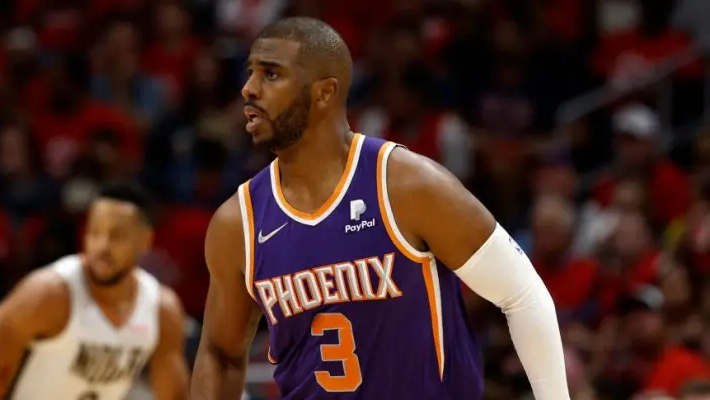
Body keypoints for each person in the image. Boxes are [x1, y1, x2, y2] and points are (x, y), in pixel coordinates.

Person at [191, 17, 569, 399]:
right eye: (250, 73)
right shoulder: (237, 222)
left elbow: (522, 294)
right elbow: (220, 354)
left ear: (324, 93)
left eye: (270, 75)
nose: (249, 89)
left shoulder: (407, 184)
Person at [0, 182, 189, 399]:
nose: (101, 246)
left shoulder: (161, 309)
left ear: (145, 241)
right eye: (94, 232)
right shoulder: (49, 294)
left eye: (116, 236)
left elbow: (175, 396)